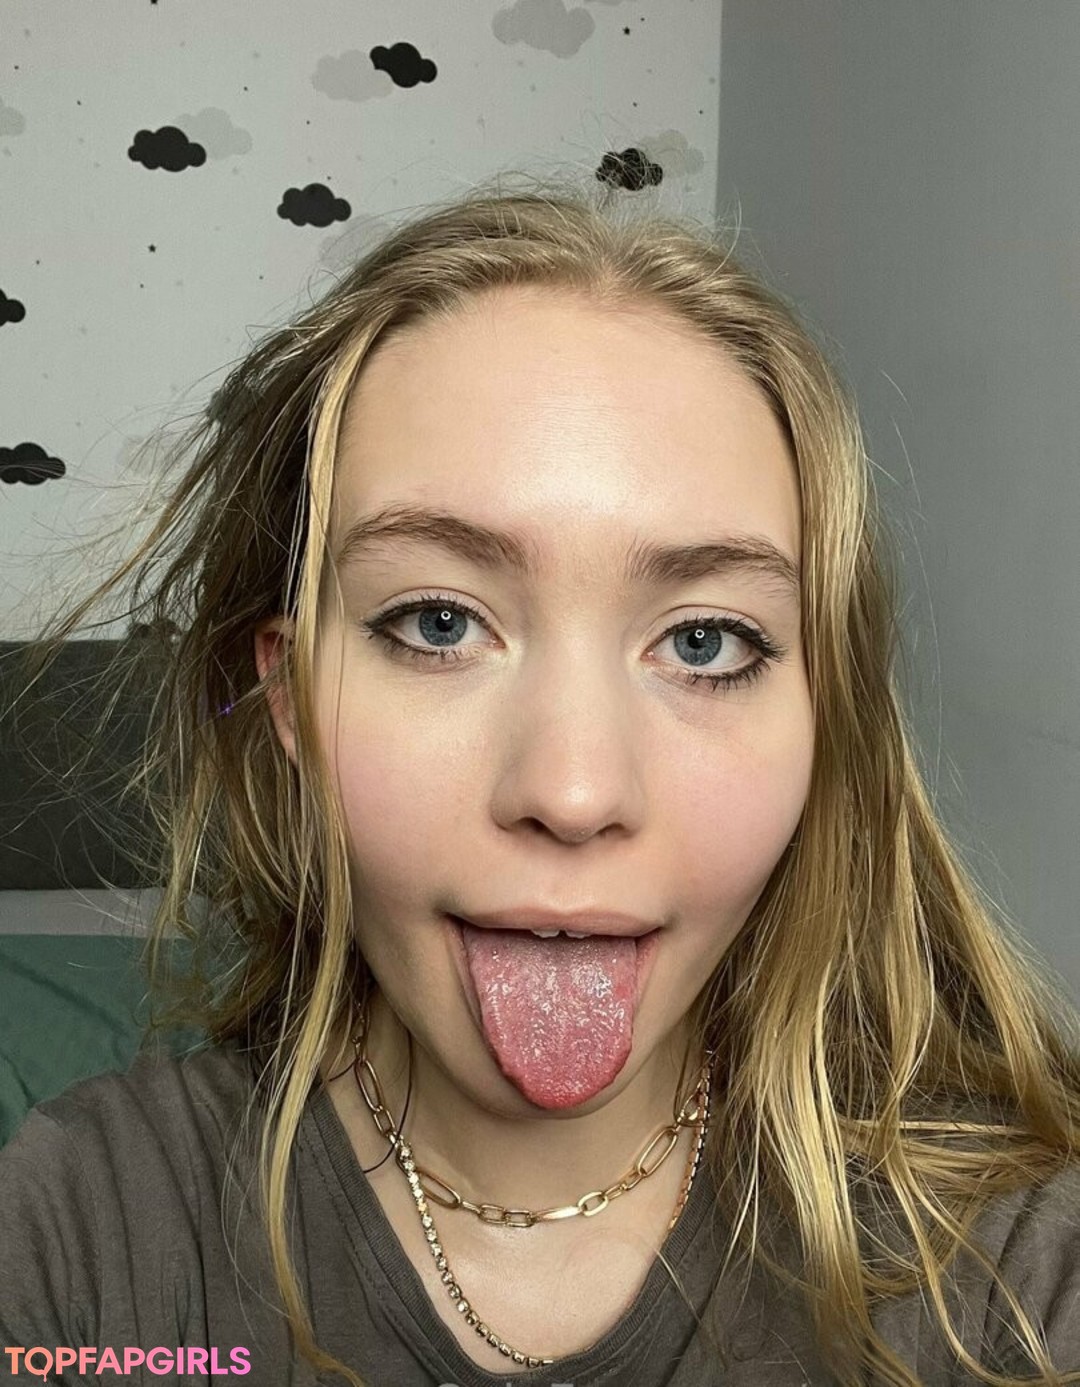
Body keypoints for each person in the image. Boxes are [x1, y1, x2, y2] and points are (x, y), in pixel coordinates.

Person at [2, 177, 1079, 1387]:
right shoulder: (75, 1237)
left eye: (706, 641)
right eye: (438, 622)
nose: (572, 792)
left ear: (823, 720)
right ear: (291, 698)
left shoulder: (1015, 1267)